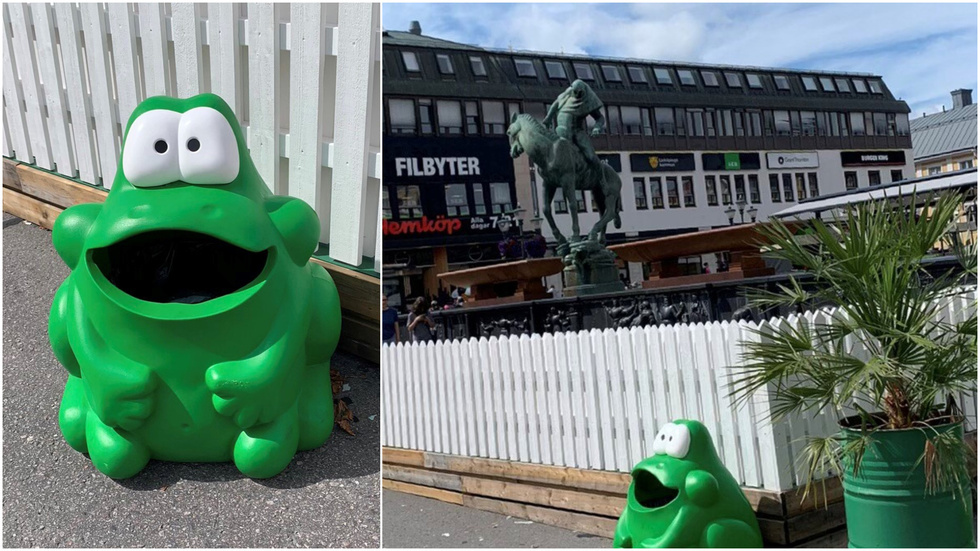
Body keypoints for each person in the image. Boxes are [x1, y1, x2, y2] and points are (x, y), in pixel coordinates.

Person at [542, 79, 605, 164]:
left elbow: (600, 118)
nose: (576, 94)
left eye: (579, 92)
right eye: (574, 91)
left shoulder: (587, 101)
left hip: (577, 131)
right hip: (562, 131)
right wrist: (548, 118)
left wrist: (597, 128)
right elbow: (556, 104)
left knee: (591, 157)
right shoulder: (567, 94)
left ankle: (599, 173)